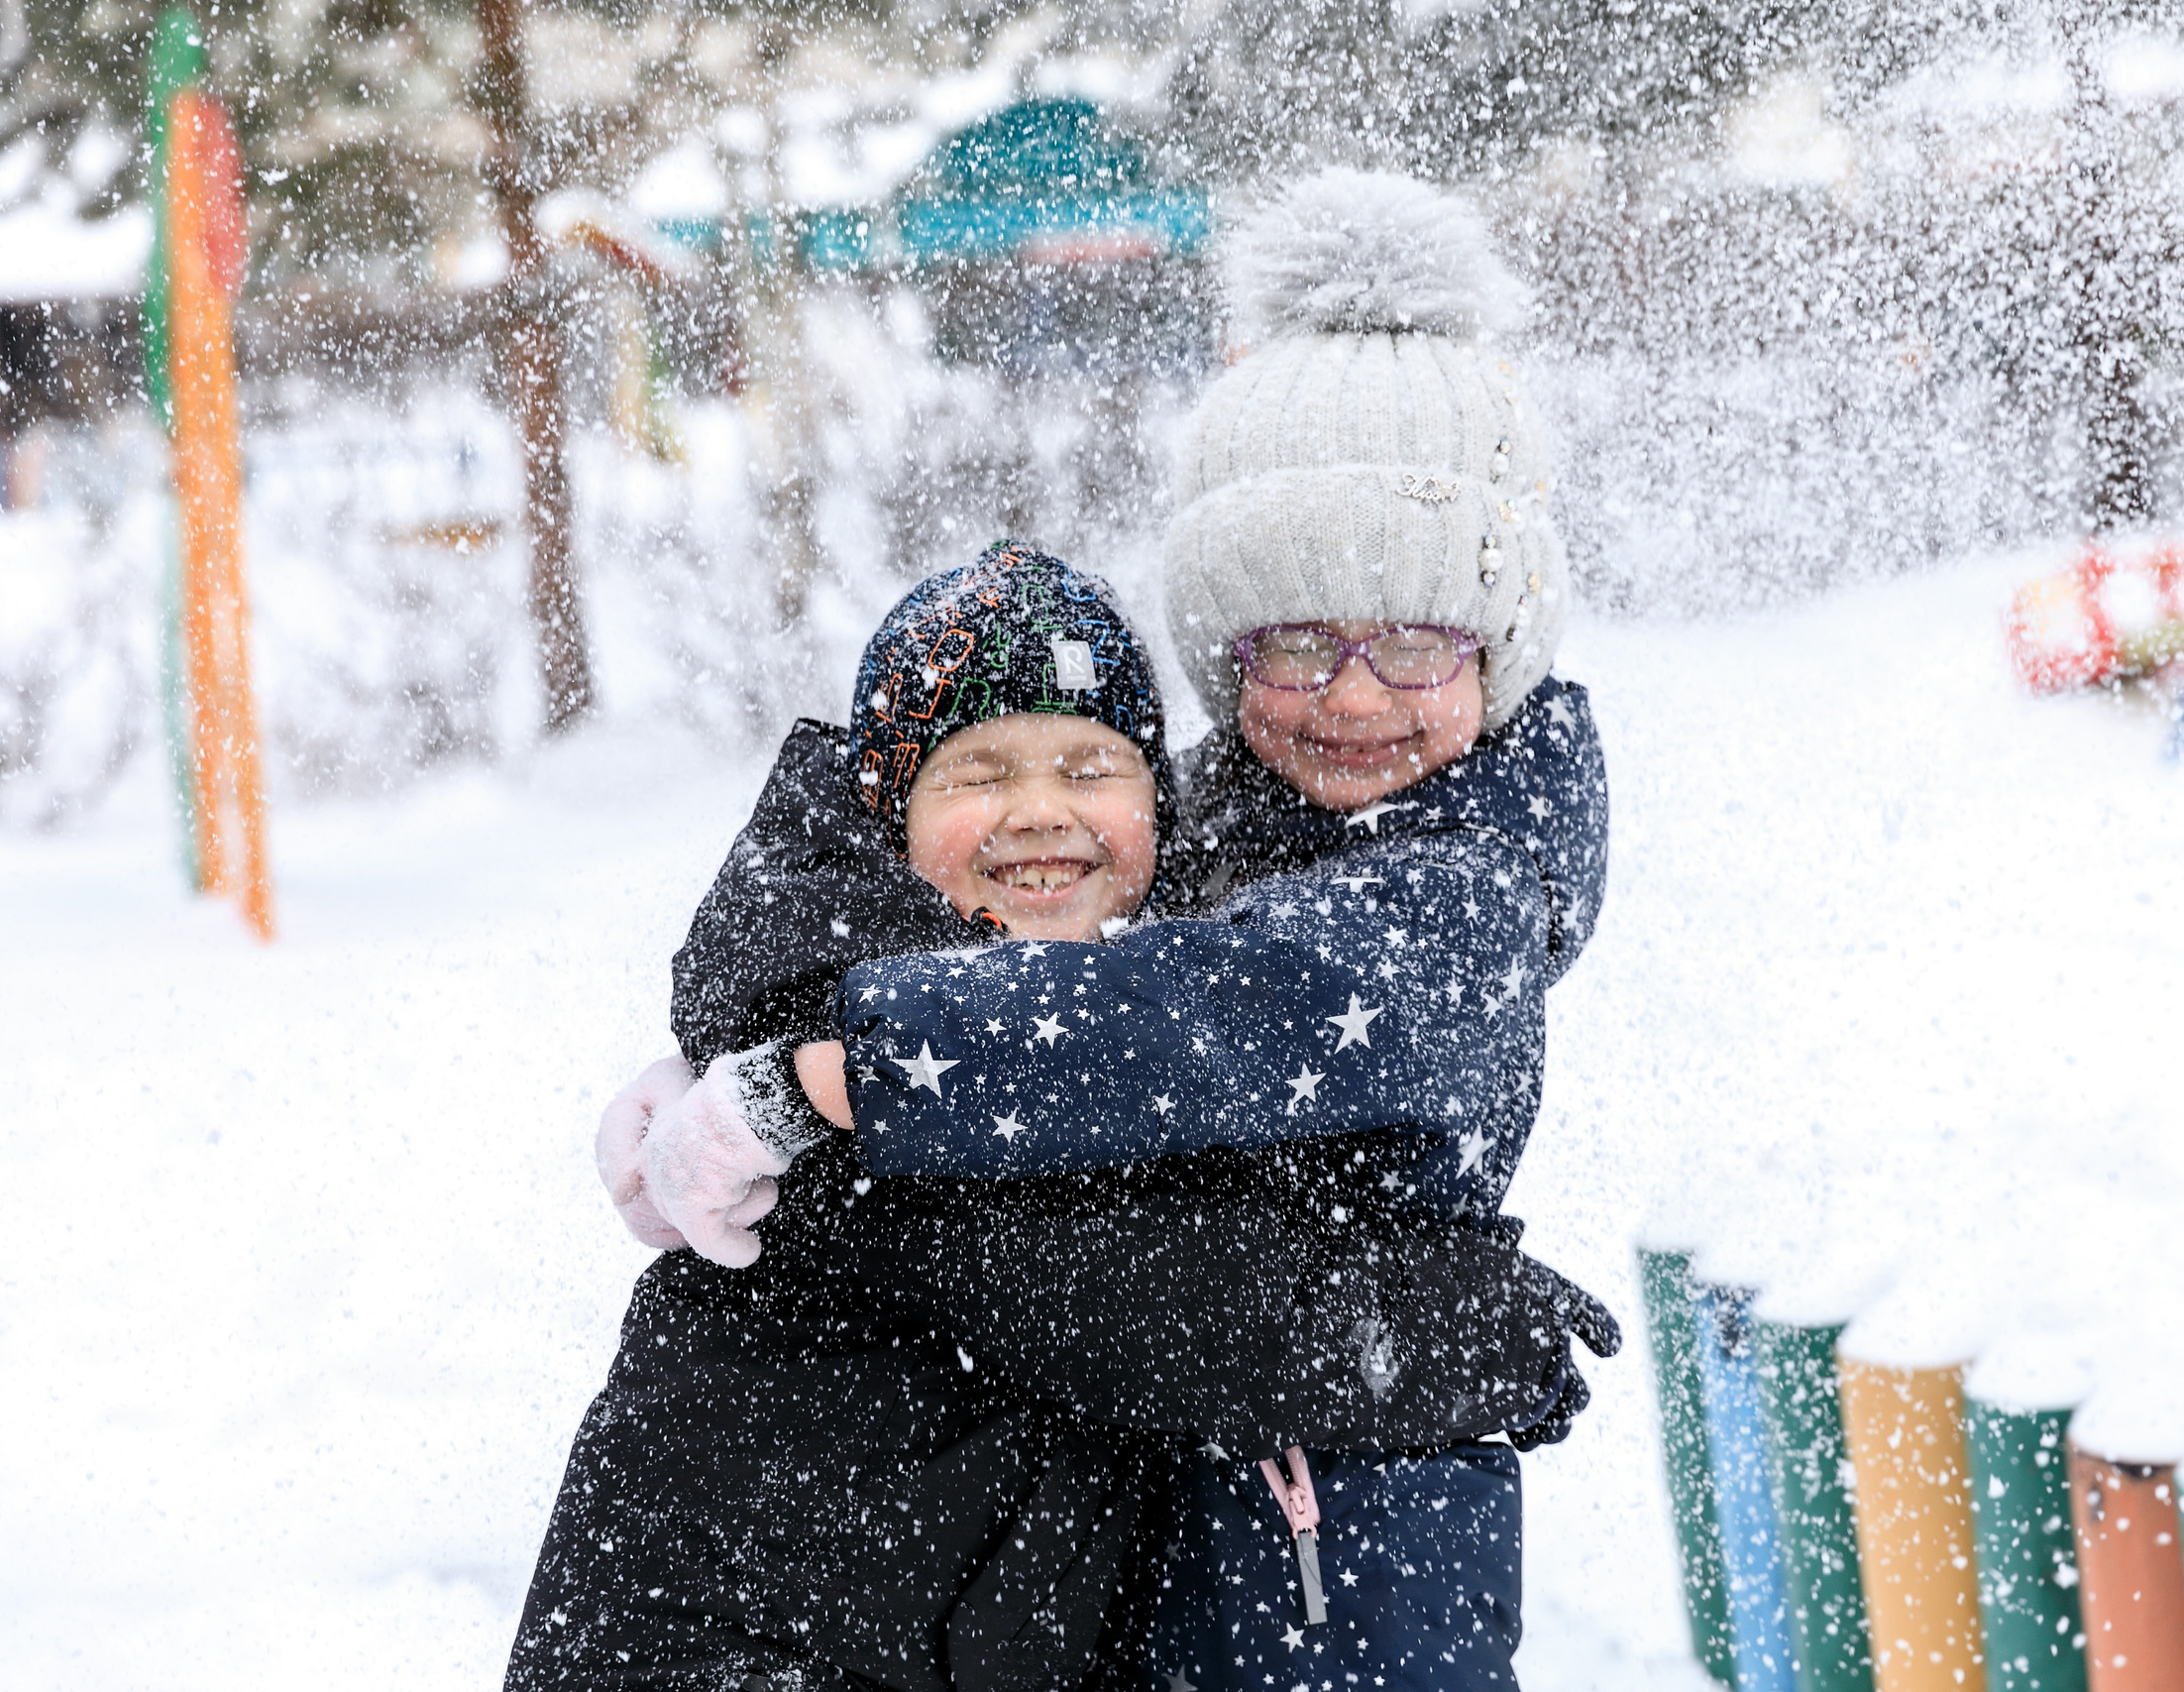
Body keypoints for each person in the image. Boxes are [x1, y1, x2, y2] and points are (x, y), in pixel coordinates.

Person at [645, 169, 1610, 1690]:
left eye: (1417, 639)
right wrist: (728, 1053)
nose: (1352, 694)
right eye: (1296, 640)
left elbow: (1210, 1013)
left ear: (1506, 646)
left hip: (1349, 1540)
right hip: (1181, 1508)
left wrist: (834, 1084)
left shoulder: (1466, 881)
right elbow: (1033, 943)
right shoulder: (1231, 810)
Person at [511, 546, 1606, 1692]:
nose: (1041, 813)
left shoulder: (1079, 1058)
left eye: (1092, 768)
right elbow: (1159, 1298)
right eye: (979, 772)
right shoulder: (890, 1098)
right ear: (890, 814)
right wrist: (1458, 1323)